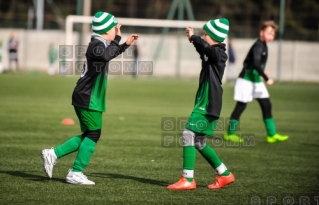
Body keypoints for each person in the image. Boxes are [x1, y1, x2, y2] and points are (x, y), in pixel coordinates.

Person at [41, 11, 139, 185]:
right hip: (88, 96)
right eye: (114, 28)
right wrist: (119, 40)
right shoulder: (96, 44)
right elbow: (107, 55)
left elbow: (108, 54)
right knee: (93, 134)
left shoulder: (100, 43)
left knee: (89, 134)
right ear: (105, 30)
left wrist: (124, 44)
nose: (116, 30)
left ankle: (54, 154)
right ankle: (75, 172)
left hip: (88, 96)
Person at [167, 18, 235, 191]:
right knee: (198, 141)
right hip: (206, 100)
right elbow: (203, 50)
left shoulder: (219, 53)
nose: (203, 37)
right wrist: (193, 39)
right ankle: (225, 174)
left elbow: (207, 50)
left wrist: (196, 38)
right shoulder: (210, 51)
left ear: (213, 36)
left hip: (209, 101)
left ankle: (188, 179)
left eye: (205, 34)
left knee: (188, 134)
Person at [224, 21, 289, 144]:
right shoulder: (258, 45)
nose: (271, 36)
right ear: (261, 32)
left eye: (273, 34)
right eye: (269, 33)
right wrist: (266, 77)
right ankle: (230, 133)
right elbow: (255, 63)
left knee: (266, 105)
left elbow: (256, 64)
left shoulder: (264, 45)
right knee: (241, 106)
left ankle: (272, 134)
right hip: (246, 80)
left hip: (255, 80)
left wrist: (262, 72)